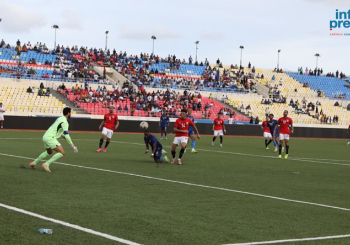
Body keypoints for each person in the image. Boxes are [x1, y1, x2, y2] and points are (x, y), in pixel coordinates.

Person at [29, 107, 78, 172]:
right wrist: (72, 146)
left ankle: (34, 163)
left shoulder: (60, 118)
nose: (70, 114)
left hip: (45, 136)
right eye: (70, 112)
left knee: (49, 152)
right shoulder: (65, 122)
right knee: (62, 152)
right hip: (50, 138)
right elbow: (67, 135)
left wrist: (62, 135)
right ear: (68, 113)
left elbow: (57, 130)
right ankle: (46, 164)